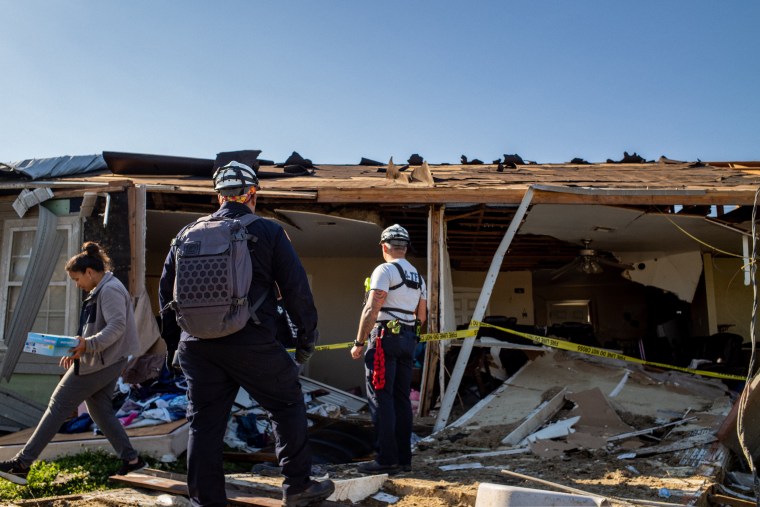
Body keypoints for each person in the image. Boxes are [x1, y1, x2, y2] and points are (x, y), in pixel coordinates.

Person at [158, 161, 334, 507]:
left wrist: (173, 349)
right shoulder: (268, 231)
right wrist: (305, 341)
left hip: (197, 345)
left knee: (204, 424)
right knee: (286, 405)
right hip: (251, 341)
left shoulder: (185, 235)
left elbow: (166, 298)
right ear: (253, 193)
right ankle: (297, 486)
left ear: (218, 196)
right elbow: (297, 291)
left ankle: (205, 501)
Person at [0, 242, 145, 485]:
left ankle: (22, 464)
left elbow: (116, 327)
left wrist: (87, 346)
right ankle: (133, 461)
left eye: (77, 279)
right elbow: (96, 328)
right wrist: (77, 348)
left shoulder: (109, 290)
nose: (77, 285)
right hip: (102, 359)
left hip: (101, 361)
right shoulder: (104, 287)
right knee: (100, 411)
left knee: (58, 404)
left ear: (89, 272)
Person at [350, 224, 427, 474]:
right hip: (407, 339)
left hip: (384, 339)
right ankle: (403, 459)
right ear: (404, 248)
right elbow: (422, 316)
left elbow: (372, 309)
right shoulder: (418, 276)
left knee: (381, 399)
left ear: (384, 247)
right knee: (401, 400)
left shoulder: (384, 270)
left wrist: (360, 342)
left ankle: (385, 459)